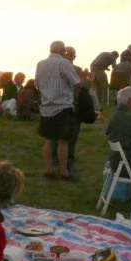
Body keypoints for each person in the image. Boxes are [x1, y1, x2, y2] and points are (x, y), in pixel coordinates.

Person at [35, 41, 80, 181]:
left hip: (46, 106)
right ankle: (64, 172)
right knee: (63, 141)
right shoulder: (64, 64)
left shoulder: (40, 64)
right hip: (62, 106)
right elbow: (76, 83)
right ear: (62, 50)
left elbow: (36, 84)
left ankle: (48, 170)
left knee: (48, 140)